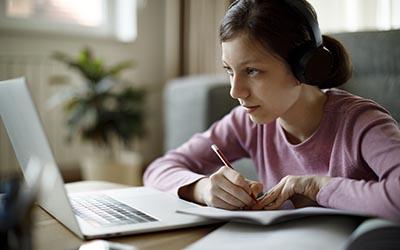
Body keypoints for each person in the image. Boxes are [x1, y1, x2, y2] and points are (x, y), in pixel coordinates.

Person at [143, 0, 400, 221]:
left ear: (306, 68)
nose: (236, 91)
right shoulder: (246, 123)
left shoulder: (361, 122)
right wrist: (203, 188)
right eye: (229, 71)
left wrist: (316, 186)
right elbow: (158, 170)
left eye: (252, 71)